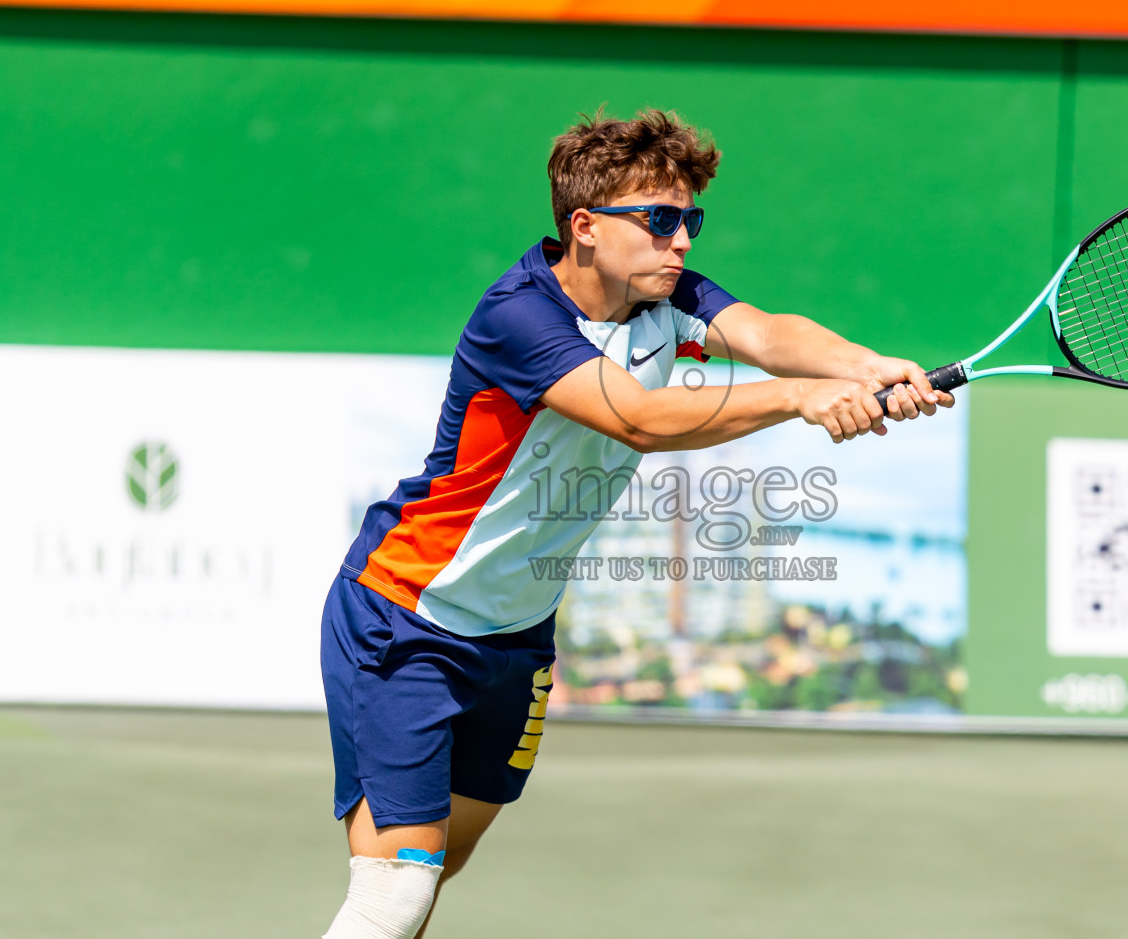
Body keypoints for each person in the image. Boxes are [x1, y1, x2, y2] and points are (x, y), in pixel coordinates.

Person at [318, 107, 953, 938]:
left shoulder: (668, 297)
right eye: (659, 220)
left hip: (515, 637)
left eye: (690, 219)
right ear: (584, 227)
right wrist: (802, 398)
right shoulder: (519, 317)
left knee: (432, 879)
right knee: (395, 891)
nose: (681, 240)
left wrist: (868, 367)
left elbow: (765, 335)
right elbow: (641, 420)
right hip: (406, 616)